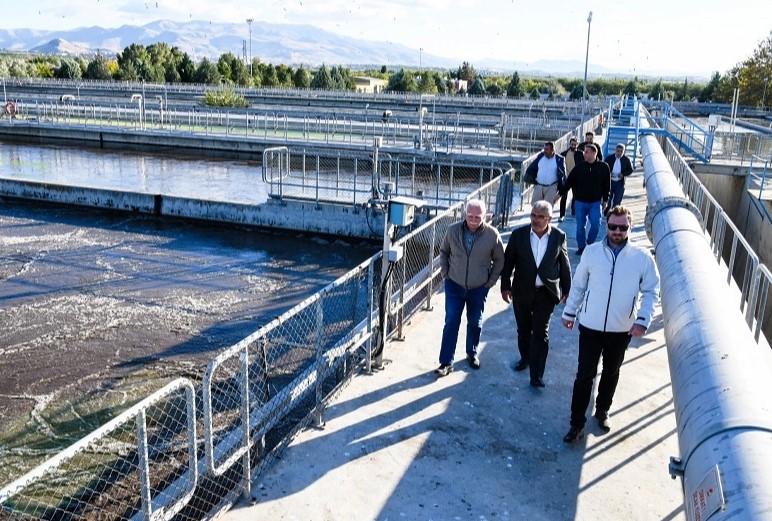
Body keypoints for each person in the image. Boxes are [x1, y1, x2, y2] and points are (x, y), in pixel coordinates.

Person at [560, 205, 660, 443]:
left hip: (621, 328)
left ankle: (603, 410)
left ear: (630, 227)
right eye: (613, 226)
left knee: (611, 372)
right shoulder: (592, 252)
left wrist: (643, 320)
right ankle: (576, 423)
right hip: (590, 326)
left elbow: (651, 291)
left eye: (622, 227)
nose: (617, 231)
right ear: (606, 225)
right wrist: (569, 313)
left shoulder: (642, 258)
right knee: (584, 375)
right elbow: (579, 285)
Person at [500, 200, 572, 388]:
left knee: (540, 332)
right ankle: (525, 358)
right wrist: (505, 286)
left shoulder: (559, 236)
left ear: (549, 218)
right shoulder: (518, 235)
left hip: (546, 293)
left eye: (541, 217)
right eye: (533, 215)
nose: (536, 220)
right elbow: (508, 264)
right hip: (522, 291)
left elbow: (564, 265)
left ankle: (537, 375)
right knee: (523, 329)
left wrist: (567, 290)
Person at [435, 199, 505, 376]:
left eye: (477, 217)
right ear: (465, 215)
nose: (473, 220)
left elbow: (499, 260)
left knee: (475, 321)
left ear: (484, 216)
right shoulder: (453, 231)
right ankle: (445, 362)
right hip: (454, 285)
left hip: (478, 287)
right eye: (470, 216)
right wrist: (446, 274)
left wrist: (490, 282)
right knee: (451, 321)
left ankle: (471, 353)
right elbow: (444, 252)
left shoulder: (492, 235)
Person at [560, 143, 610, 256]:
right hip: (580, 202)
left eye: (586, 152)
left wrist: (606, 200)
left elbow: (607, 185)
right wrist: (560, 194)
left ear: (594, 153)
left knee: (596, 224)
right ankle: (581, 247)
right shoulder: (579, 168)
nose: (584, 154)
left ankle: (590, 242)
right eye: (584, 152)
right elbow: (569, 181)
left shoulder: (603, 167)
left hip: (595, 202)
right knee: (580, 226)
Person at [525, 141, 566, 206]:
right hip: (539, 186)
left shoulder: (559, 159)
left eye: (546, 149)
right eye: (544, 149)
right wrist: (528, 180)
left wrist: (560, 192)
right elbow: (532, 167)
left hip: (551, 187)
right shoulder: (540, 156)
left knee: (548, 208)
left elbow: (563, 175)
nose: (544, 151)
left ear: (552, 150)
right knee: (535, 206)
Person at [604, 144, 633, 215]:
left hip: (620, 182)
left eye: (621, 151)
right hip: (610, 181)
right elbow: (604, 167)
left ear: (623, 151)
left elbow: (630, 170)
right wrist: (609, 173)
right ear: (615, 151)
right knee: (608, 199)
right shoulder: (609, 158)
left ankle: (615, 214)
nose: (619, 153)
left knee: (617, 200)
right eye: (618, 151)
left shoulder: (626, 160)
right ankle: (605, 213)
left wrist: (623, 174)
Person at [559, 137, 579, 221]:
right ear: (569, 144)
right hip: (566, 178)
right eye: (572, 144)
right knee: (564, 197)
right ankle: (561, 215)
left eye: (574, 145)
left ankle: (573, 211)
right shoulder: (564, 154)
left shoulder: (580, 154)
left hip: (576, 178)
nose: (573, 146)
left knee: (576, 196)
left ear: (577, 145)